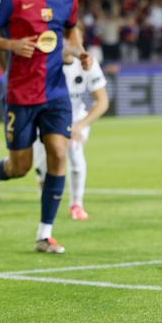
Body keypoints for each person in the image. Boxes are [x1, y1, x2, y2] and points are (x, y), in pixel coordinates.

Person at [0, 0, 92, 254]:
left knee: (58, 152)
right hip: (20, 94)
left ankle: (45, 234)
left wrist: (80, 50)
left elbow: (71, 30)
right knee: (21, 167)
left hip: (56, 91)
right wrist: (11, 44)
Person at [33, 48, 109, 220]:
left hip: (76, 119)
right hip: (48, 117)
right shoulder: (47, 61)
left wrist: (79, 125)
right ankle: (47, 202)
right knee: (44, 167)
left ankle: (77, 204)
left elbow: (102, 101)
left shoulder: (87, 62)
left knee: (74, 152)